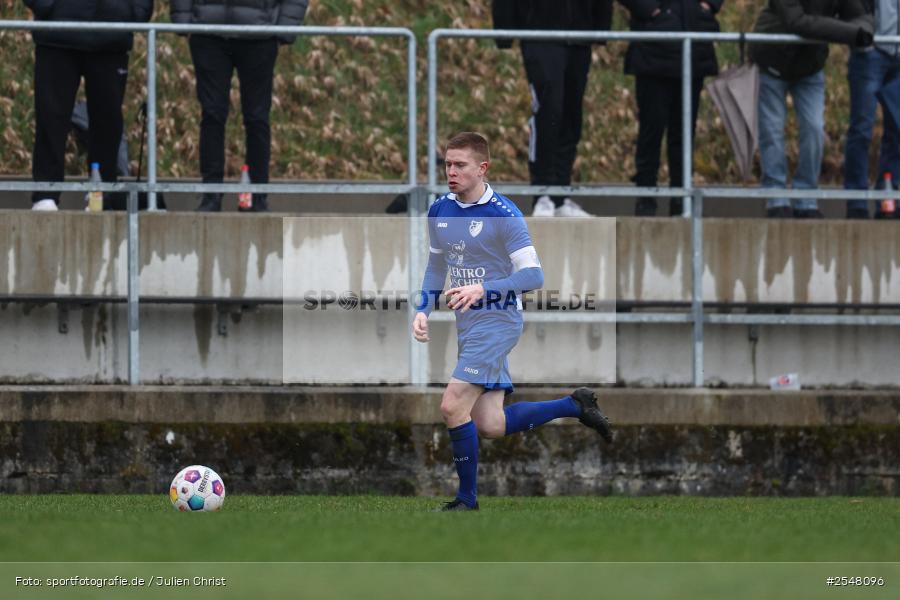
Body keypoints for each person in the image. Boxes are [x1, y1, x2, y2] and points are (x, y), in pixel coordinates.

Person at [412, 132, 613, 512]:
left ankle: (466, 501)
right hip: (469, 325)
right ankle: (574, 405)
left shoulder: (505, 216)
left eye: (460, 165)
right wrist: (423, 308)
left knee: (452, 405)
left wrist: (482, 290)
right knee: (490, 424)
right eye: (447, 164)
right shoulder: (439, 211)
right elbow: (436, 266)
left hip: (499, 321)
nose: (450, 172)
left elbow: (533, 277)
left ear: (482, 168)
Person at [171, 0, 309, 212]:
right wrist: (183, 22)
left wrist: (284, 28)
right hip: (208, 33)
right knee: (212, 115)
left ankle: (257, 195)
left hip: (259, 36)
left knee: (257, 118)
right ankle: (211, 195)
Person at [25, 0, 154, 211]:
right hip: (57, 34)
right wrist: (46, 6)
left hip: (110, 35)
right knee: (51, 117)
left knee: (108, 121)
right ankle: (45, 193)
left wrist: (133, 13)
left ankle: (100, 193)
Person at [750, 0, 873, 218]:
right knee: (772, 130)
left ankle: (806, 195)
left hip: (810, 68)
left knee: (815, 128)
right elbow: (797, 22)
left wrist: (858, 29)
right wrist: (849, 32)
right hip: (771, 61)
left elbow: (862, 18)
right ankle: (775, 195)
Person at [491, 1, 614, 217]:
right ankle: (542, 193)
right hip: (540, 34)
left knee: (571, 115)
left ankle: (560, 195)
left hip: (579, 36)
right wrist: (504, 31)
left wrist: (601, 27)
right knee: (549, 111)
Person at [619, 0, 723, 217]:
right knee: (651, 130)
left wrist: (708, 7)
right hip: (653, 48)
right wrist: (652, 11)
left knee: (684, 133)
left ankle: (681, 200)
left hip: (693, 44)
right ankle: (646, 199)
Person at [843, 0, 900, 219]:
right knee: (861, 130)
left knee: (896, 129)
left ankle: (889, 196)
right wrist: (864, 37)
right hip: (871, 54)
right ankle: (856, 201)